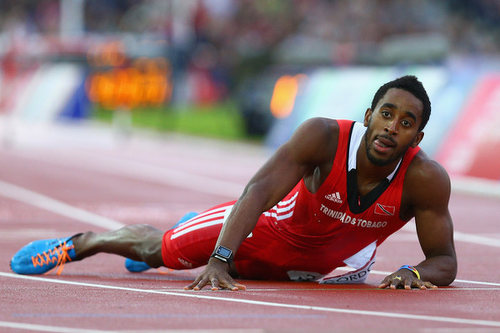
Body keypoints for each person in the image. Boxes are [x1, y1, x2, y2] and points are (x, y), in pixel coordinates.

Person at [10, 75, 457, 291]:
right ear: (368, 117)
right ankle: (82, 243)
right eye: (385, 114)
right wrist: (220, 257)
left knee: (246, 273)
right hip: (264, 232)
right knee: (164, 251)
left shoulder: (427, 180)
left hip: (321, 268)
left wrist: (411, 272)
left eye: (405, 123)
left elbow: (444, 260)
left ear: (416, 138)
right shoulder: (324, 136)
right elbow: (258, 193)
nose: (390, 127)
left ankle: (205, 237)